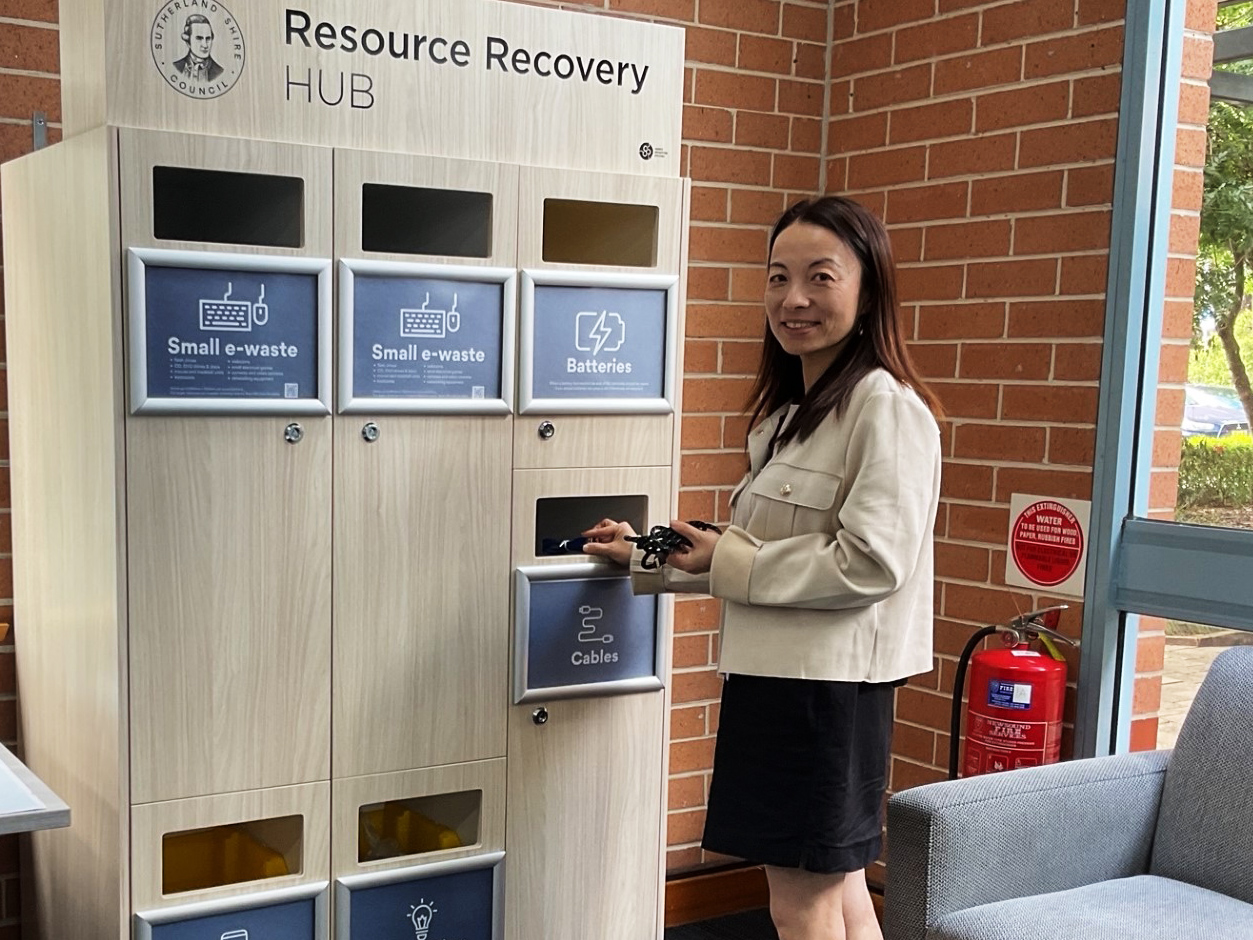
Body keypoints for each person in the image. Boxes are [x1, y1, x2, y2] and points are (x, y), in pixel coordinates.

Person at [583, 196, 943, 940]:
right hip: (779, 682)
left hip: (826, 695)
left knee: (800, 903)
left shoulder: (886, 407)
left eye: (820, 277)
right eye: (777, 278)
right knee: (836, 890)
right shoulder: (791, 416)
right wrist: (643, 553)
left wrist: (730, 558)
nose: (794, 299)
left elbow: (871, 562)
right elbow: (749, 552)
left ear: (868, 288)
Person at [173, 14, 225, 83]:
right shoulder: (176, 67)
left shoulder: (219, 72)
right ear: (188, 41)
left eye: (208, 38)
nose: (205, 45)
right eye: (199, 38)